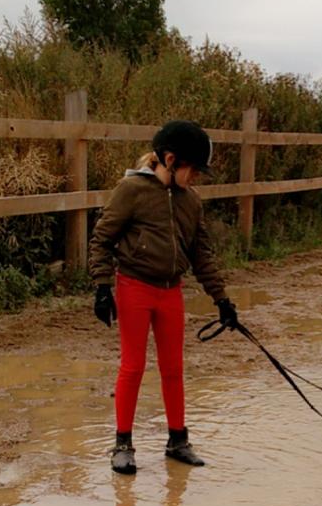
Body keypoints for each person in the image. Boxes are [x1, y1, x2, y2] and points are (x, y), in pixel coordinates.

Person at [88, 119, 238, 475]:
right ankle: (122, 444)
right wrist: (102, 287)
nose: (196, 178)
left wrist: (222, 300)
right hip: (135, 288)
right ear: (170, 160)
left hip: (171, 291)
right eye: (193, 170)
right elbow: (102, 239)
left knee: (174, 368)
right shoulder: (131, 190)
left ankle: (178, 440)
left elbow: (201, 255)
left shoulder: (191, 202)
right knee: (133, 366)